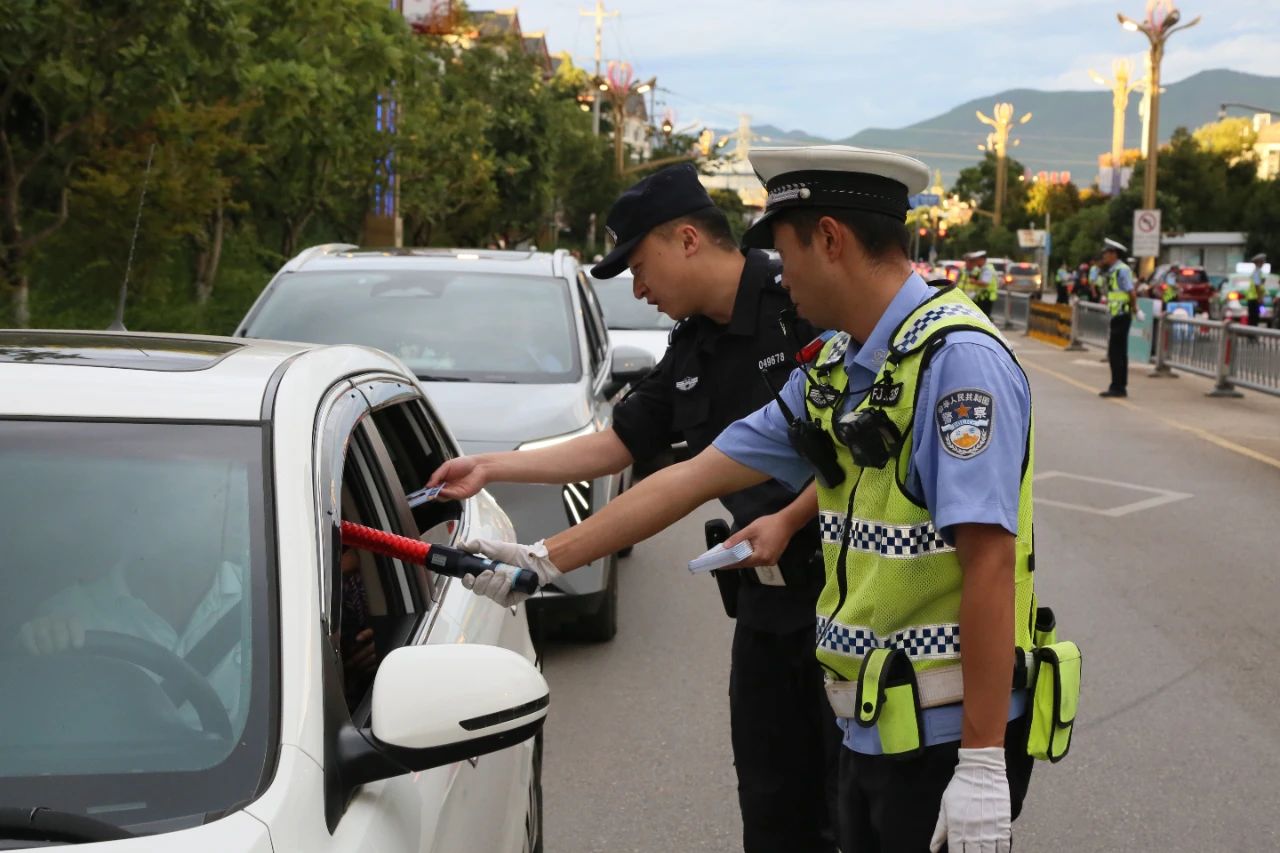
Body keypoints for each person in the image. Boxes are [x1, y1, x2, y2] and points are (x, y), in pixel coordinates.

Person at [459, 145, 1043, 853]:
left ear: (829, 239)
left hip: (944, 737)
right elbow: (696, 473)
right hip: (871, 724)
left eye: (786, 250)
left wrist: (981, 764)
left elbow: (987, 562)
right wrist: (541, 560)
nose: (780, 271)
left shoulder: (957, 362)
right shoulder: (837, 367)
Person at [431, 162, 840, 853]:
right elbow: (620, 444)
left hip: (843, 600)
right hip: (767, 614)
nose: (638, 289)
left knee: (849, 813)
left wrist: (795, 515)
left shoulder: (797, 302)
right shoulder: (692, 346)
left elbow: (852, 448)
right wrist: (494, 466)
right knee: (773, 810)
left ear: (687, 239)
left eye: (639, 266)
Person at [1098, 238, 1136, 398]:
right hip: (1117, 315)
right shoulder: (1114, 270)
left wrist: (1135, 308)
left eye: (1106, 253)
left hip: (1122, 315)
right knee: (1118, 352)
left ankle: (1118, 387)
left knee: (1116, 353)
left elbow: (1131, 291)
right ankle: (1119, 385)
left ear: (1114, 253)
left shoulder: (1122, 270)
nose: (1104, 256)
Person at [1247, 252, 1266, 328]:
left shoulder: (1257, 272)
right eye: (1262, 262)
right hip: (1254, 298)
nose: (1263, 263)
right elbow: (1257, 285)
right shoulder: (1257, 272)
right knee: (1254, 318)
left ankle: (1252, 335)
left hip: (1254, 298)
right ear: (1258, 262)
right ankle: (1251, 336)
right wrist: (1260, 298)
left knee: (1254, 317)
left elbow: (1258, 284)